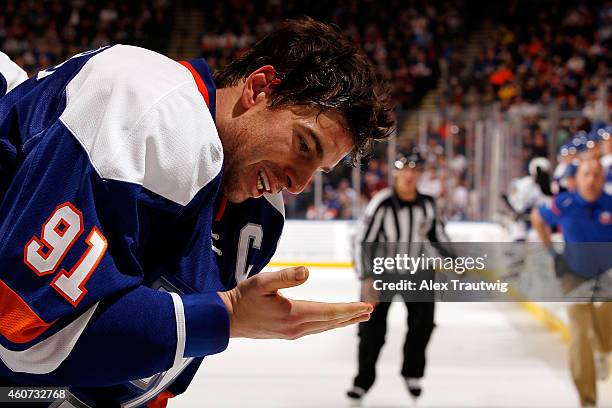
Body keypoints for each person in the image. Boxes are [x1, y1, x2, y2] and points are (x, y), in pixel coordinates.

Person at [0, 18, 394, 406]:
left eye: (319, 169)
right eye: (304, 145)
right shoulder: (149, 101)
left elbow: (155, 381)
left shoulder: (260, 219)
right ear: (258, 87)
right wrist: (226, 316)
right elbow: (23, 329)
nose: (299, 184)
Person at [346, 148, 450, 402]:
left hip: (419, 272)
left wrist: (455, 260)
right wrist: (366, 277)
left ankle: (412, 372)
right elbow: (362, 240)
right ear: (396, 172)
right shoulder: (381, 202)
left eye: (415, 170)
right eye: (405, 170)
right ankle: (363, 381)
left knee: (423, 324)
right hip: (382, 273)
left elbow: (438, 237)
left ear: (421, 174)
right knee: (371, 330)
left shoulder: (428, 204)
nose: (409, 176)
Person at [531, 158, 612, 408]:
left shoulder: (610, 204)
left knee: (605, 334)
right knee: (581, 334)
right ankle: (587, 398)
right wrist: (552, 253)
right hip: (573, 276)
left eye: (597, 175)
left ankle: (603, 350)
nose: (592, 180)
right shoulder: (564, 203)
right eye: (586, 174)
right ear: (576, 179)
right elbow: (538, 217)